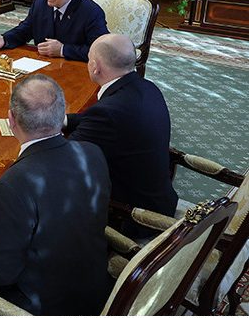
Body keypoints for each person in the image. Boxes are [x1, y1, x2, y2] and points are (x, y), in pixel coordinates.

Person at [0, 74, 110, 316]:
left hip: (44, 312)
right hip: (96, 289)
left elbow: (0, 274)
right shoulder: (92, 152)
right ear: (62, 113)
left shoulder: (13, 184)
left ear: (11, 120)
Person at [67, 33, 178, 236]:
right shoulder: (147, 87)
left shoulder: (108, 113)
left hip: (133, 218)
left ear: (95, 67)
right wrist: (63, 120)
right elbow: (101, 121)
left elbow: (62, 158)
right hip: (160, 199)